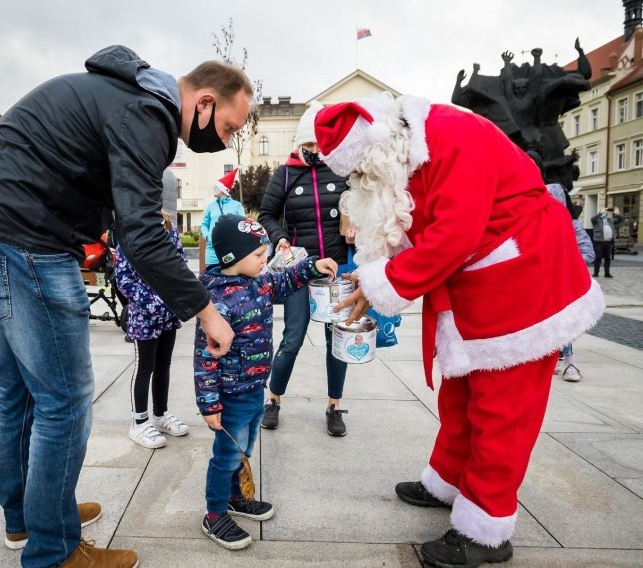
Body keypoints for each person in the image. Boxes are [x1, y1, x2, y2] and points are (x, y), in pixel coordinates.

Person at [0, 45, 252, 568]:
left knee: (17, 388)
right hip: (26, 239)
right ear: (203, 102)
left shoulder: (126, 97)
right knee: (63, 399)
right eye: (228, 126)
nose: (226, 141)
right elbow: (140, 233)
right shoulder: (147, 114)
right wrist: (205, 310)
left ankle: (32, 517)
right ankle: (54, 551)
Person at [314, 92, 605, 568]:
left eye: (362, 172)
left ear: (383, 147)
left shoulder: (455, 138)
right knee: (461, 392)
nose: (362, 183)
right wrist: (377, 272)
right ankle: (447, 481)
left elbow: (454, 234)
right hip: (480, 282)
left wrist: (383, 281)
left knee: (502, 407)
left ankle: (486, 530)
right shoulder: (412, 153)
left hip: (524, 279)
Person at [195, 214, 338, 550]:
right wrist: (209, 403)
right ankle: (214, 515)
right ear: (232, 257)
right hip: (229, 395)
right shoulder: (216, 302)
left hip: (255, 389)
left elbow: (286, 279)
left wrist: (313, 266)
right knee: (226, 456)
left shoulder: (259, 282)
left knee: (242, 450)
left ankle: (234, 497)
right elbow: (205, 359)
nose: (265, 260)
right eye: (259, 255)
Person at [257, 100, 353, 435]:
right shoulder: (285, 173)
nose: (314, 149)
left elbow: (357, 206)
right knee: (293, 336)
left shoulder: (341, 170)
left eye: (319, 143)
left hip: (335, 269)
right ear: (299, 143)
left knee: (335, 339)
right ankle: (274, 398)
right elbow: (266, 214)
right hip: (299, 269)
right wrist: (280, 236)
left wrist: (356, 224)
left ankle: (334, 406)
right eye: (308, 144)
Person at [115, 210, 189, 449]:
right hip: (145, 314)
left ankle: (159, 415)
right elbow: (124, 278)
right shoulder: (129, 233)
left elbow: (179, 263)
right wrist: (152, 302)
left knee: (163, 365)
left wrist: (175, 297)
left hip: (169, 311)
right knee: (145, 366)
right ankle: (139, 422)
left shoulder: (168, 228)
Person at [527, 151, 594, 382]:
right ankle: (547, 358)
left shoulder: (555, 200)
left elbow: (587, 251)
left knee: (561, 317)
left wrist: (565, 262)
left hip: (554, 273)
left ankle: (569, 363)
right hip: (532, 274)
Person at [200, 168, 245, 268]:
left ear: (224, 189)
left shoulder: (237, 205)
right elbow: (204, 224)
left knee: (228, 279)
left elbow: (242, 225)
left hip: (230, 251)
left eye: (217, 187)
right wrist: (207, 236)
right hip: (212, 253)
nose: (214, 189)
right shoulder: (211, 206)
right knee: (211, 280)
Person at [591, 207, 623, 278]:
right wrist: (600, 213)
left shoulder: (610, 220)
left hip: (609, 242)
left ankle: (607, 273)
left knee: (608, 258)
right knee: (598, 257)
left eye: (605, 213)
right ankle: (596, 272)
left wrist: (617, 214)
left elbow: (621, 220)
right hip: (599, 242)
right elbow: (592, 219)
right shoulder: (596, 221)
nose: (604, 213)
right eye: (603, 212)